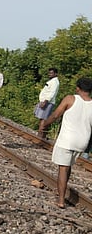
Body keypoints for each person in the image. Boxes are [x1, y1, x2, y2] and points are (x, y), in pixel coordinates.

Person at [41, 77, 92, 208]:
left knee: (63, 169)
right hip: (82, 142)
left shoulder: (70, 99)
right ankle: (63, 194)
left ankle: (61, 200)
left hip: (67, 140)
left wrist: (44, 124)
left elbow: (56, 115)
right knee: (67, 166)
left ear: (78, 88)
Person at [35, 68, 60, 138]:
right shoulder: (52, 81)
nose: (49, 74)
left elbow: (52, 93)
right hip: (45, 102)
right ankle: (40, 133)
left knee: (43, 118)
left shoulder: (55, 82)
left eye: (51, 73)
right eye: (49, 73)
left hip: (47, 102)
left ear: (56, 74)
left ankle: (41, 135)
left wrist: (45, 101)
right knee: (41, 118)